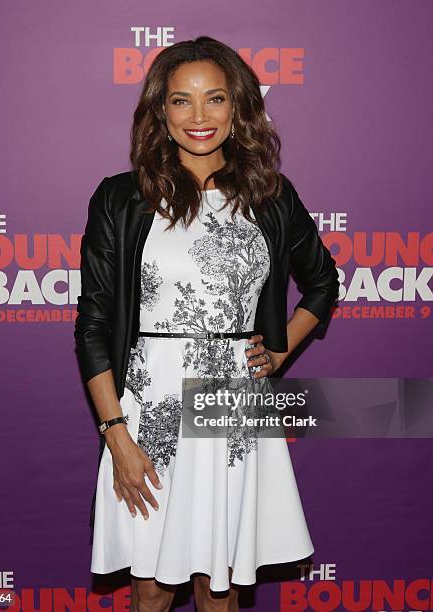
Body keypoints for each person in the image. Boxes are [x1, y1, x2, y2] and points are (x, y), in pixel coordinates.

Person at [75, 36, 339, 612]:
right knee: (150, 588)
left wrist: (278, 352)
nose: (199, 117)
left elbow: (323, 282)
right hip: (148, 408)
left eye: (215, 99)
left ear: (238, 107)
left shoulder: (270, 197)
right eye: (181, 101)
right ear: (159, 111)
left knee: (217, 586)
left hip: (232, 405)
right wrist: (116, 433)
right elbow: (93, 323)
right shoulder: (121, 199)